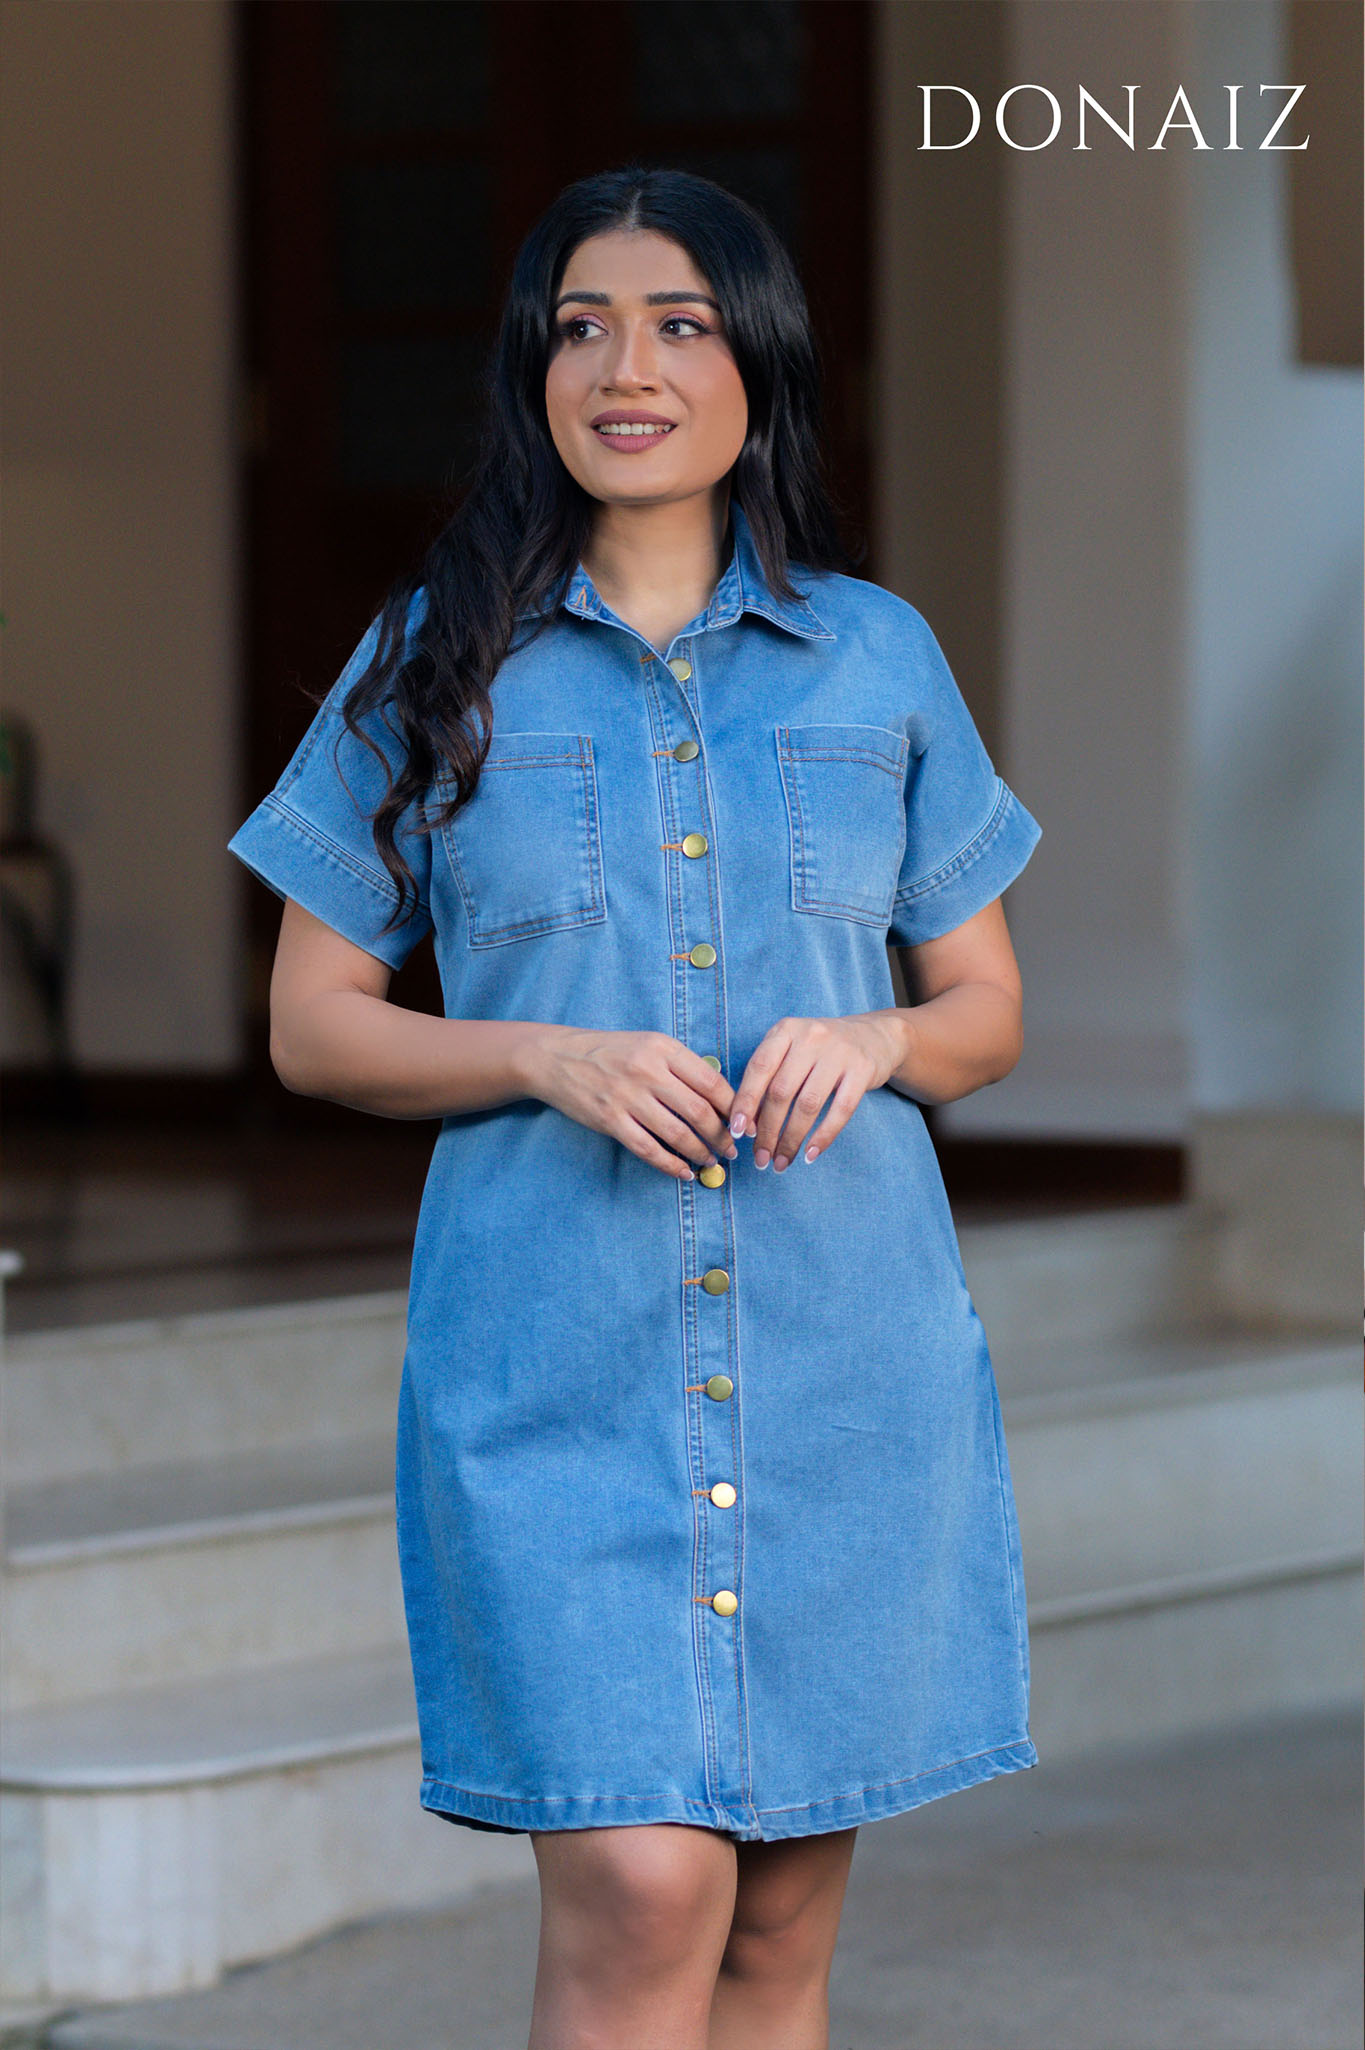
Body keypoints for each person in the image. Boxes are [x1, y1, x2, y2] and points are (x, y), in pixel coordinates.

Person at [229, 163, 1043, 2050]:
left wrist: (881, 1039)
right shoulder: (431, 654)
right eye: (581, 327)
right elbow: (312, 1029)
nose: (628, 369)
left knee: (775, 1922)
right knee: (643, 1885)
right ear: (533, 371)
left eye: (680, 325)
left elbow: (988, 1013)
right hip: (555, 1368)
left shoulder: (877, 656)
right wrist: (540, 1054)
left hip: (844, 1363)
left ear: (758, 363)